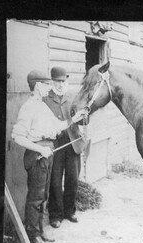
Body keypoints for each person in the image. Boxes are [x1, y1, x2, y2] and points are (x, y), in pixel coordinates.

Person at [11, 70, 86, 243]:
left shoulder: (41, 106)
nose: (49, 87)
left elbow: (57, 126)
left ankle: (40, 230)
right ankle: (32, 235)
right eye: (46, 84)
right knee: (35, 197)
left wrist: (73, 119)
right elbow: (17, 136)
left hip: (47, 152)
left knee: (43, 195)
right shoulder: (29, 107)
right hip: (37, 155)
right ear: (37, 86)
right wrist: (39, 149)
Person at [43, 67, 86, 229]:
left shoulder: (74, 97)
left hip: (73, 142)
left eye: (63, 81)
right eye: (57, 81)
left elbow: (82, 120)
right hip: (55, 145)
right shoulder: (46, 99)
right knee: (55, 180)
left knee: (72, 179)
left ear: (66, 81)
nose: (60, 84)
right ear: (52, 81)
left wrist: (84, 116)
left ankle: (70, 211)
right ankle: (55, 215)